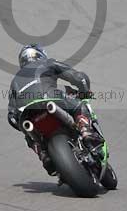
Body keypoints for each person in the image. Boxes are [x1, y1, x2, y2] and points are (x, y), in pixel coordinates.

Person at [7, 44, 100, 175]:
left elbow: (11, 116)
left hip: (27, 113)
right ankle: (86, 132)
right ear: (40, 54)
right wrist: (84, 93)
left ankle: (43, 154)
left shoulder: (15, 81)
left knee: (29, 136)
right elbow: (79, 77)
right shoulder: (47, 62)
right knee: (79, 106)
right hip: (50, 98)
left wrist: (22, 126)